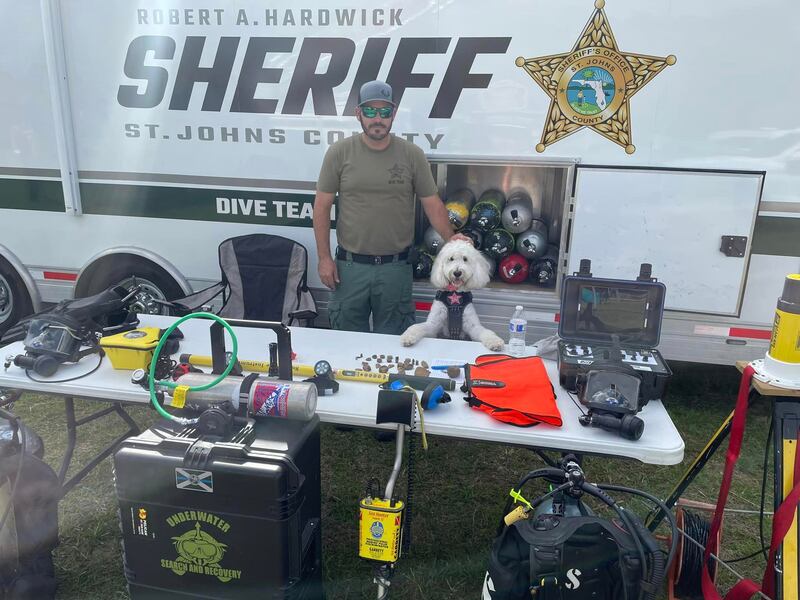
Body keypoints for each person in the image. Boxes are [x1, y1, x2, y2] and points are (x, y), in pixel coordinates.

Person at [313, 80, 467, 335]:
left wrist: (453, 241)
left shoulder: (412, 155)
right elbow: (321, 207)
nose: (377, 119)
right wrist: (324, 258)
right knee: (346, 341)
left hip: (395, 270)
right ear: (358, 114)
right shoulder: (339, 153)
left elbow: (432, 205)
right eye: (370, 111)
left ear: (393, 114)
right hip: (350, 269)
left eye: (384, 112)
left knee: (397, 345)